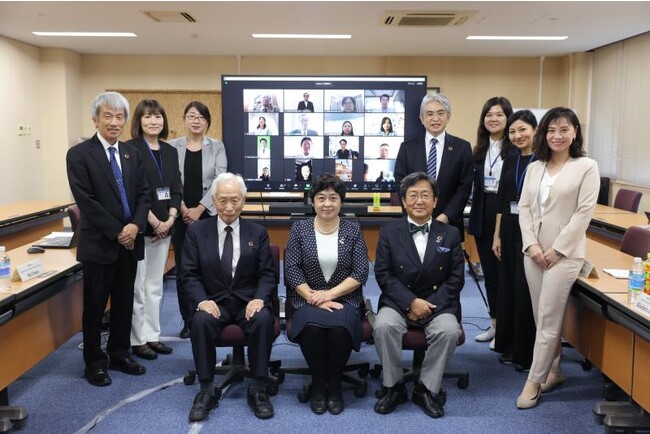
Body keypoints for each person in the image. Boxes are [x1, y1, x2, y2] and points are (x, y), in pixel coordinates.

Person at [515, 107, 600, 409]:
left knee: (549, 320)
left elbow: (584, 213)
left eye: (564, 129)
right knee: (541, 317)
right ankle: (554, 370)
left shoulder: (586, 167)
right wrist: (532, 245)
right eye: (551, 130)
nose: (557, 136)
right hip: (534, 253)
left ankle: (533, 381)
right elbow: (524, 208)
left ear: (575, 132)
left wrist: (557, 249)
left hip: (564, 255)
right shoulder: (535, 167)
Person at [66, 91, 150, 386]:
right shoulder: (79, 154)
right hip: (100, 243)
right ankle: (94, 362)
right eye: (108, 116)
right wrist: (118, 231)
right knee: (95, 305)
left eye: (119, 117)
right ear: (95, 119)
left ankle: (119, 353)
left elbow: (143, 194)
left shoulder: (132, 153)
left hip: (130, 242)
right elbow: (86, 201)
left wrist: (135, 226)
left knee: (124, 302)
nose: (114, 122)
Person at [182, 173, 277, 421]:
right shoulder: (196, 232)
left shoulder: (257, 232)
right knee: (200, 321)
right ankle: (206, 390)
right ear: (213, 200)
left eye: (235, 200)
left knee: (263, 319)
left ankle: (258, 388)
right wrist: (202, 301)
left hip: (248, 301)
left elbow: (267, 274)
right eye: (222, 200)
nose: (229, 207)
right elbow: (188, 274)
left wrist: (259, 299)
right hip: (213, 301)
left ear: (243, 200)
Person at [373, 172, 463, 419]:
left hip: (438, 303)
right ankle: (394, 387)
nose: (419, 201)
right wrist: (411, 302)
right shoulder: (389, 231)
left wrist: (427, 305)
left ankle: (424, 389)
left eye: (425, 195)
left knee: (449, 331)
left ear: (435, 201)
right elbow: (383, 274)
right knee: (383, 327)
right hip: (398, 301)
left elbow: (456, 279)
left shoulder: (451, 234)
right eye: (413, 195)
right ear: (403, 201)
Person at [284, 174, 369, 415]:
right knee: (312, 329)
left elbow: (360, 271)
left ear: (341, 201)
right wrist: (314, 297)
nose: (327, 204)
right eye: (321, 198)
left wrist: (329, 295)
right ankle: (319, 386)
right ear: (313, 201)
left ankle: (335, 387)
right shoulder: (300, 228)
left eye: (333, 198)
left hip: (345, 299)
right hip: (307, 298)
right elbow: (292, 268)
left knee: (340, 330)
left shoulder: (353, 229)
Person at [125, 99, 181, 361]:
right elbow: (133, 192)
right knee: (138, 286)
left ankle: (152, 335)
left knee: (155, 286)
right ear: (139, 121)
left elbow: (176, 189)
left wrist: (170, 219)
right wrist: (154, 222)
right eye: (147, 116)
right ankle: (137, 339)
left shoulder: (170, 151)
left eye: (158, 116)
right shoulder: (130, 149)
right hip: (141, 229)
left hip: (165, 227)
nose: (153, 121)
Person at [170, 101, 228, 339]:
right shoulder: (172, 147)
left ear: (207, 122)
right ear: (184, 119)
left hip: (208, 216)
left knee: (209, 267)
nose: (196, 121)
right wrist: (184, 208)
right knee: (184, 270)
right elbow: (171, 180)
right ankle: (188, 319)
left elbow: (220, 180)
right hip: (180, 216)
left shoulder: (217, 147)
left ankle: (210, 316)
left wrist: (200, 208)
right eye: (191, 116)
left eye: (201, 117)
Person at [492, 110, 538, 372]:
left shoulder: (542, 160)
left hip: (532, 229)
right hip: (509, 227)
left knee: (524, 289)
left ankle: (526, 353)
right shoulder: (510, 158)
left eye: (523, 130)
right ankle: (509, 345)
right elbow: (502, 198)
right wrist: (497, 235)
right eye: (512, 131)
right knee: (508, 286)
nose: (518, 135)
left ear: (534, 130)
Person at [394, 93, 473, 241]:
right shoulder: (407, 148)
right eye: (429, 114)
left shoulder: (462, 148)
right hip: (414, 221)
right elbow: (400, 182)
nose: (435, 118)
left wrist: (446, 216)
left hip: (448, 224)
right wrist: (414, 212)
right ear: (421, 118)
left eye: (440, 113)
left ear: (448, 116)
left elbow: (465, 186)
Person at [467, 97, 513, 348]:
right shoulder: (479, 150)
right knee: (490, 275)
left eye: (499, 114)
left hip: (506, 212)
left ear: (508, 118)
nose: (493, 119)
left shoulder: (515, 149)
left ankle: (507, 329)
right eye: (489, 115)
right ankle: (494, 324)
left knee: (506, 275)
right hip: (483, 213)